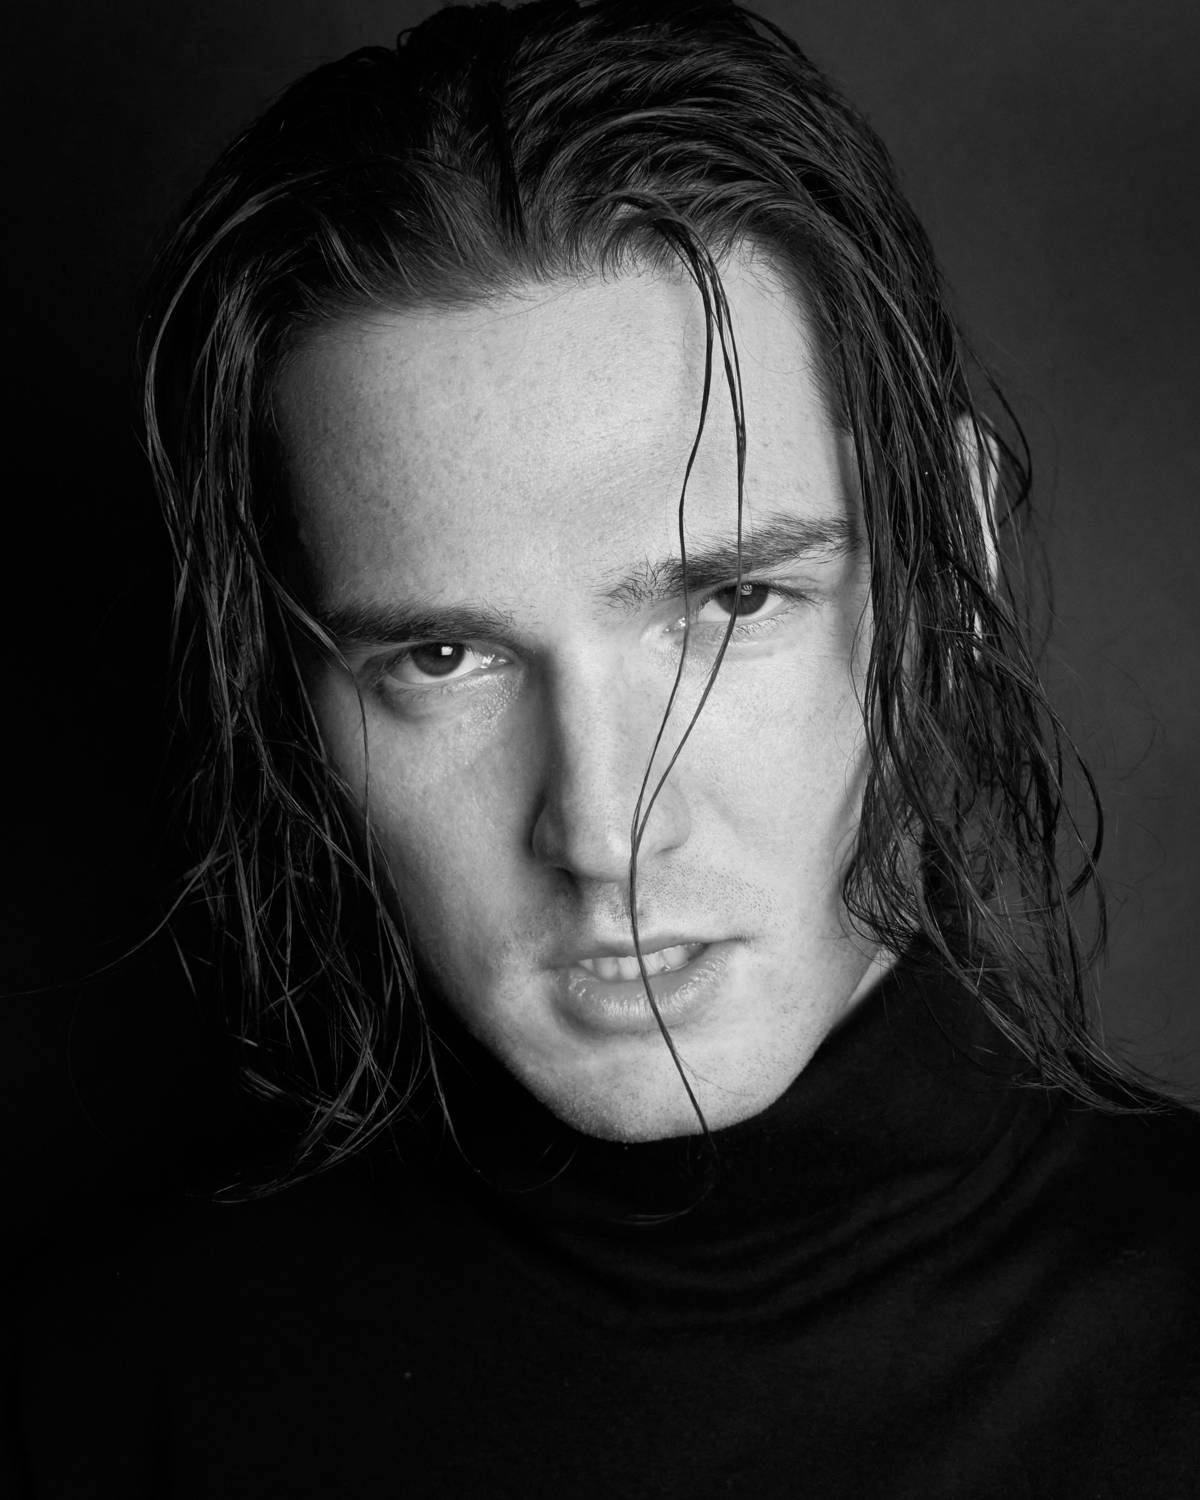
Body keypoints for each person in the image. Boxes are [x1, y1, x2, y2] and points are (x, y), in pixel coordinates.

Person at [8, 1, 1199, 1495]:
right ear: (295, 686)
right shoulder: (97, 1406)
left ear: (951, 551)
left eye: (729, 601)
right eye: (442, 658)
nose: (600, 831)